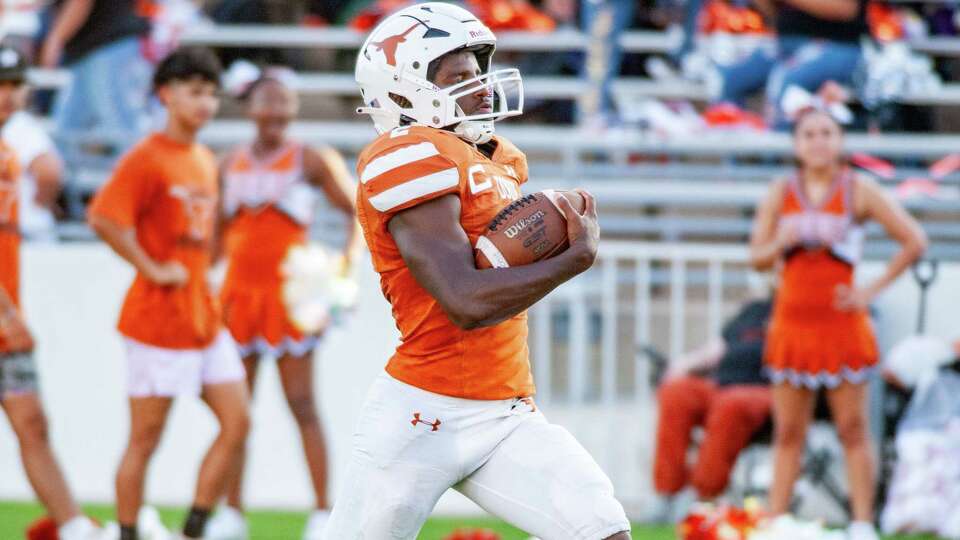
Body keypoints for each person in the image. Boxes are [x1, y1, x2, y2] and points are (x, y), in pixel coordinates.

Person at [325, 4, 632, 539]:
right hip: (422, 413)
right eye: (460, 76)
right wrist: (572, 261)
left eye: (479, 72)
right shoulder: (406, 154)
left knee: (602, 528)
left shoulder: (498, 159)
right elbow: (464, 301)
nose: (482, 87)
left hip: (505, 411)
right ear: (405, 89)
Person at [88, 47, 250, 540]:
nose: (204, 102)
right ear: (166, 94)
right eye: (193, 91)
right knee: (145, 438)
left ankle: (194, 528)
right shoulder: (147, 156)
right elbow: (103, 217)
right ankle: (130, 531)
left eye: (211, 93)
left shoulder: (203, 158)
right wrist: (152, 268)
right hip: (157, 320)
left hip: (203, 317)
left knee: (237, 420)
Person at [749, 105, 927, 540]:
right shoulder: (780, 191)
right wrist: (780, 242)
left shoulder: (858, 190)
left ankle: (863, 522)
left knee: (853, 429)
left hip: (842, 323)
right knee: (789, 431)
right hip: (791, 324)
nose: (818, 142)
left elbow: (914, 241)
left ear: (839, 140)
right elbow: (756, 258)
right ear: (796, 143)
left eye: (827, 133)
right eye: (809, 134)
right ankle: (777, 521)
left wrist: (869, 291)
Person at [204, 69, 362, 540]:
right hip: (238, 298)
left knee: (302, 404)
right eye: (265, 101)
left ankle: (320, 512)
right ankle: (231, 513)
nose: (274, 110)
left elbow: (356, 211)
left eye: (283, 101)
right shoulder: (227, 162)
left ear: (293, 109)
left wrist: (342, 268)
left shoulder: (311, 158)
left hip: (291, 298)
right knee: (237, 412)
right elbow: (213, 234)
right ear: (249, 108)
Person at [0, 45, 100, 540]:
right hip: (5, 318)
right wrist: (7, 314)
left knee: (32, 423)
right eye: (1, 84)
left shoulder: (10, 151)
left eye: (15, 85)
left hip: (6, 322)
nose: (8, 96)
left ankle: (74, 527)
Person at [654, 299, 772, 505]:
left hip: (768, 390)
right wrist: (681, 366)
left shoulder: (800, 314)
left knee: (730, 403)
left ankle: (701, 496)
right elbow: (718, 347)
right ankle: (667, 492)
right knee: (676, 391)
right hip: (722, 386)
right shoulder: (754, 309)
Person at [717, 0, 868, 129]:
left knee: (784, 81)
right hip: (786, 42)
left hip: (837, 45)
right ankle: (730, 160)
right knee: (732, 79)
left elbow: (847, 9)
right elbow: (774, 16)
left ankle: (776, 160)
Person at [40, 0, 152, 161]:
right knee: (68, 130)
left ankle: (140, 180)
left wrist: (56, 38)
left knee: (121, 128)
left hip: (110, 44)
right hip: (92, 47)